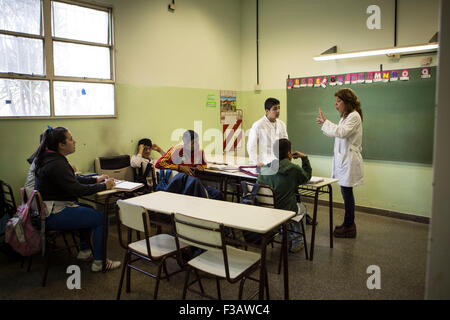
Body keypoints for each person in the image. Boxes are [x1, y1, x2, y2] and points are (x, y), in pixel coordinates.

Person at [34, 126, 121, 271]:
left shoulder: (50, 159)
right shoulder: (57, 164)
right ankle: (100, 262)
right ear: (61, 145)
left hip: (48, 211)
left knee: (88, 209)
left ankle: (85, 251)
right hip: (54, 215)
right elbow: (77, 189)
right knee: (101, 218)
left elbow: (73, 179)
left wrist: (96, 180)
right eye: (70, 139)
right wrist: (104, 186)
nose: (75, 141)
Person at [316, 88, 364, 238]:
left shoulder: (354, 116)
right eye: (335, 101)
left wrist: (326, 123)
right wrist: (325, 124)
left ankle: (350, 225)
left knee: (347, 193)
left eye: (338, 101)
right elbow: (336, 132)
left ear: (347, 102)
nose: (336, 104)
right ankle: (348, 223)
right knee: (346, 193)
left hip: (349, 160)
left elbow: (342, 133)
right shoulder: (346, 117)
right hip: (344, 160)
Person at [257, 138, 312, 252]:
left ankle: (283, 235)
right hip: (286, 211)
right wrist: (304, 158)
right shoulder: (294, 169)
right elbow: (306, 177)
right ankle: (297, 242)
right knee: (303, 208)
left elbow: (258, 186)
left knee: (281, 201)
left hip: (268, 210)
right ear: (289, 153)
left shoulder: (266, 168)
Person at [155, 130, 223, 200]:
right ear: (185, 143)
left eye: (197, 142)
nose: (196, 145)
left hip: (196, 183)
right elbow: (159, 164)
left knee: (217, 194)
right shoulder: (176, 150)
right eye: (193, 143)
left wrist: (201, 167)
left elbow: (204, 164)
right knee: (199, 193)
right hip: (182, 185)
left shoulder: (200, 152)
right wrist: (180, 167)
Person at [247, 98, 288, 166]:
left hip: (280, 163)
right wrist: (256, 163)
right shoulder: (258, 125)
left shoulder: (282, 124)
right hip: (265, 163)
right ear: (267, 111)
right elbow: (251, 146)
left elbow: (286, 143)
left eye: (279, 108)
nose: (278, 111)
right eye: (274, 109)